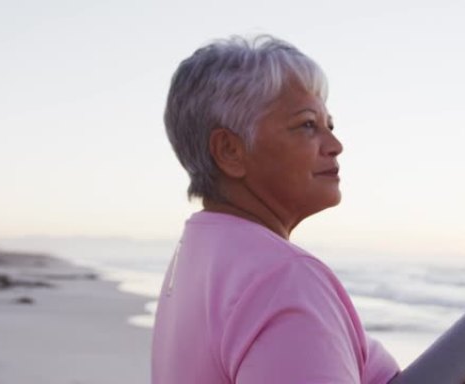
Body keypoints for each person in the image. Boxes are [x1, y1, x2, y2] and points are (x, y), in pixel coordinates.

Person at [151, 35, 400, 383]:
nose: (335, 145)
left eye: (329, 125)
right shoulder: (283, 279)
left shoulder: (199, 254)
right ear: (230, 151)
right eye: (307, 125)